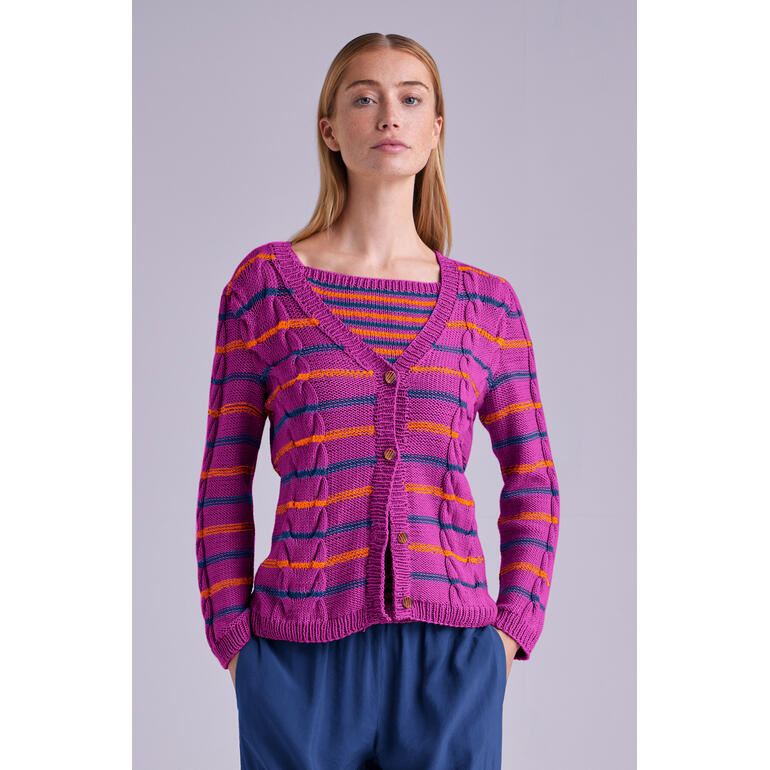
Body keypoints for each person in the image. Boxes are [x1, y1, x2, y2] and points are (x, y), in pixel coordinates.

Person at [196, 32, 560, 770]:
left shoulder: (488, 308)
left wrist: (509, 634)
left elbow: (535, 480)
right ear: (330, 129)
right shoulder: (265, 288)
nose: (389, 115)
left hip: (450, 658)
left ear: (436, 129)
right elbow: (222, 480)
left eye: (410, 98)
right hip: (299, 655)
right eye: (364, 98)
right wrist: (234, 642)